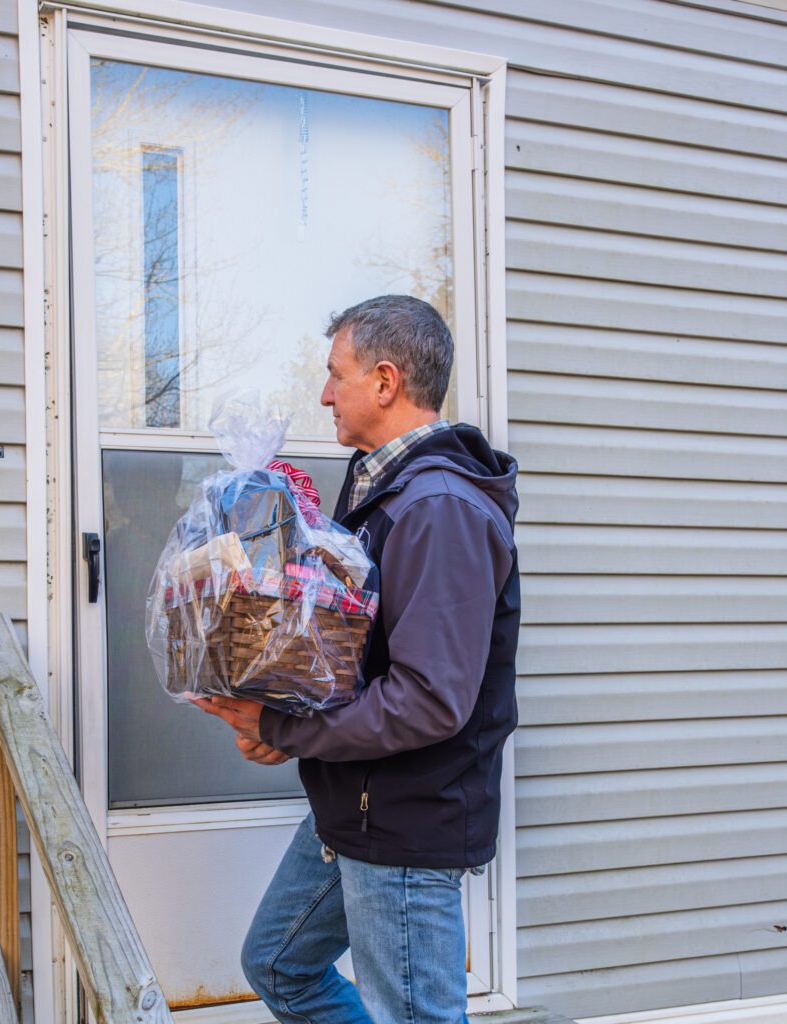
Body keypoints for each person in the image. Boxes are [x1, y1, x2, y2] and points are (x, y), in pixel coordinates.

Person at [194, 294, 520, 1024]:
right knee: (280, 965)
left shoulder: (440, 507)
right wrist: (280, 708)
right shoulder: (382, 487)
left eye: (334, 374)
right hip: (351, 806)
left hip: (403, 823)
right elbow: (359, 652)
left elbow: (430, 699)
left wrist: (286, 731)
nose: (323, 392)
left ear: (384, 381)